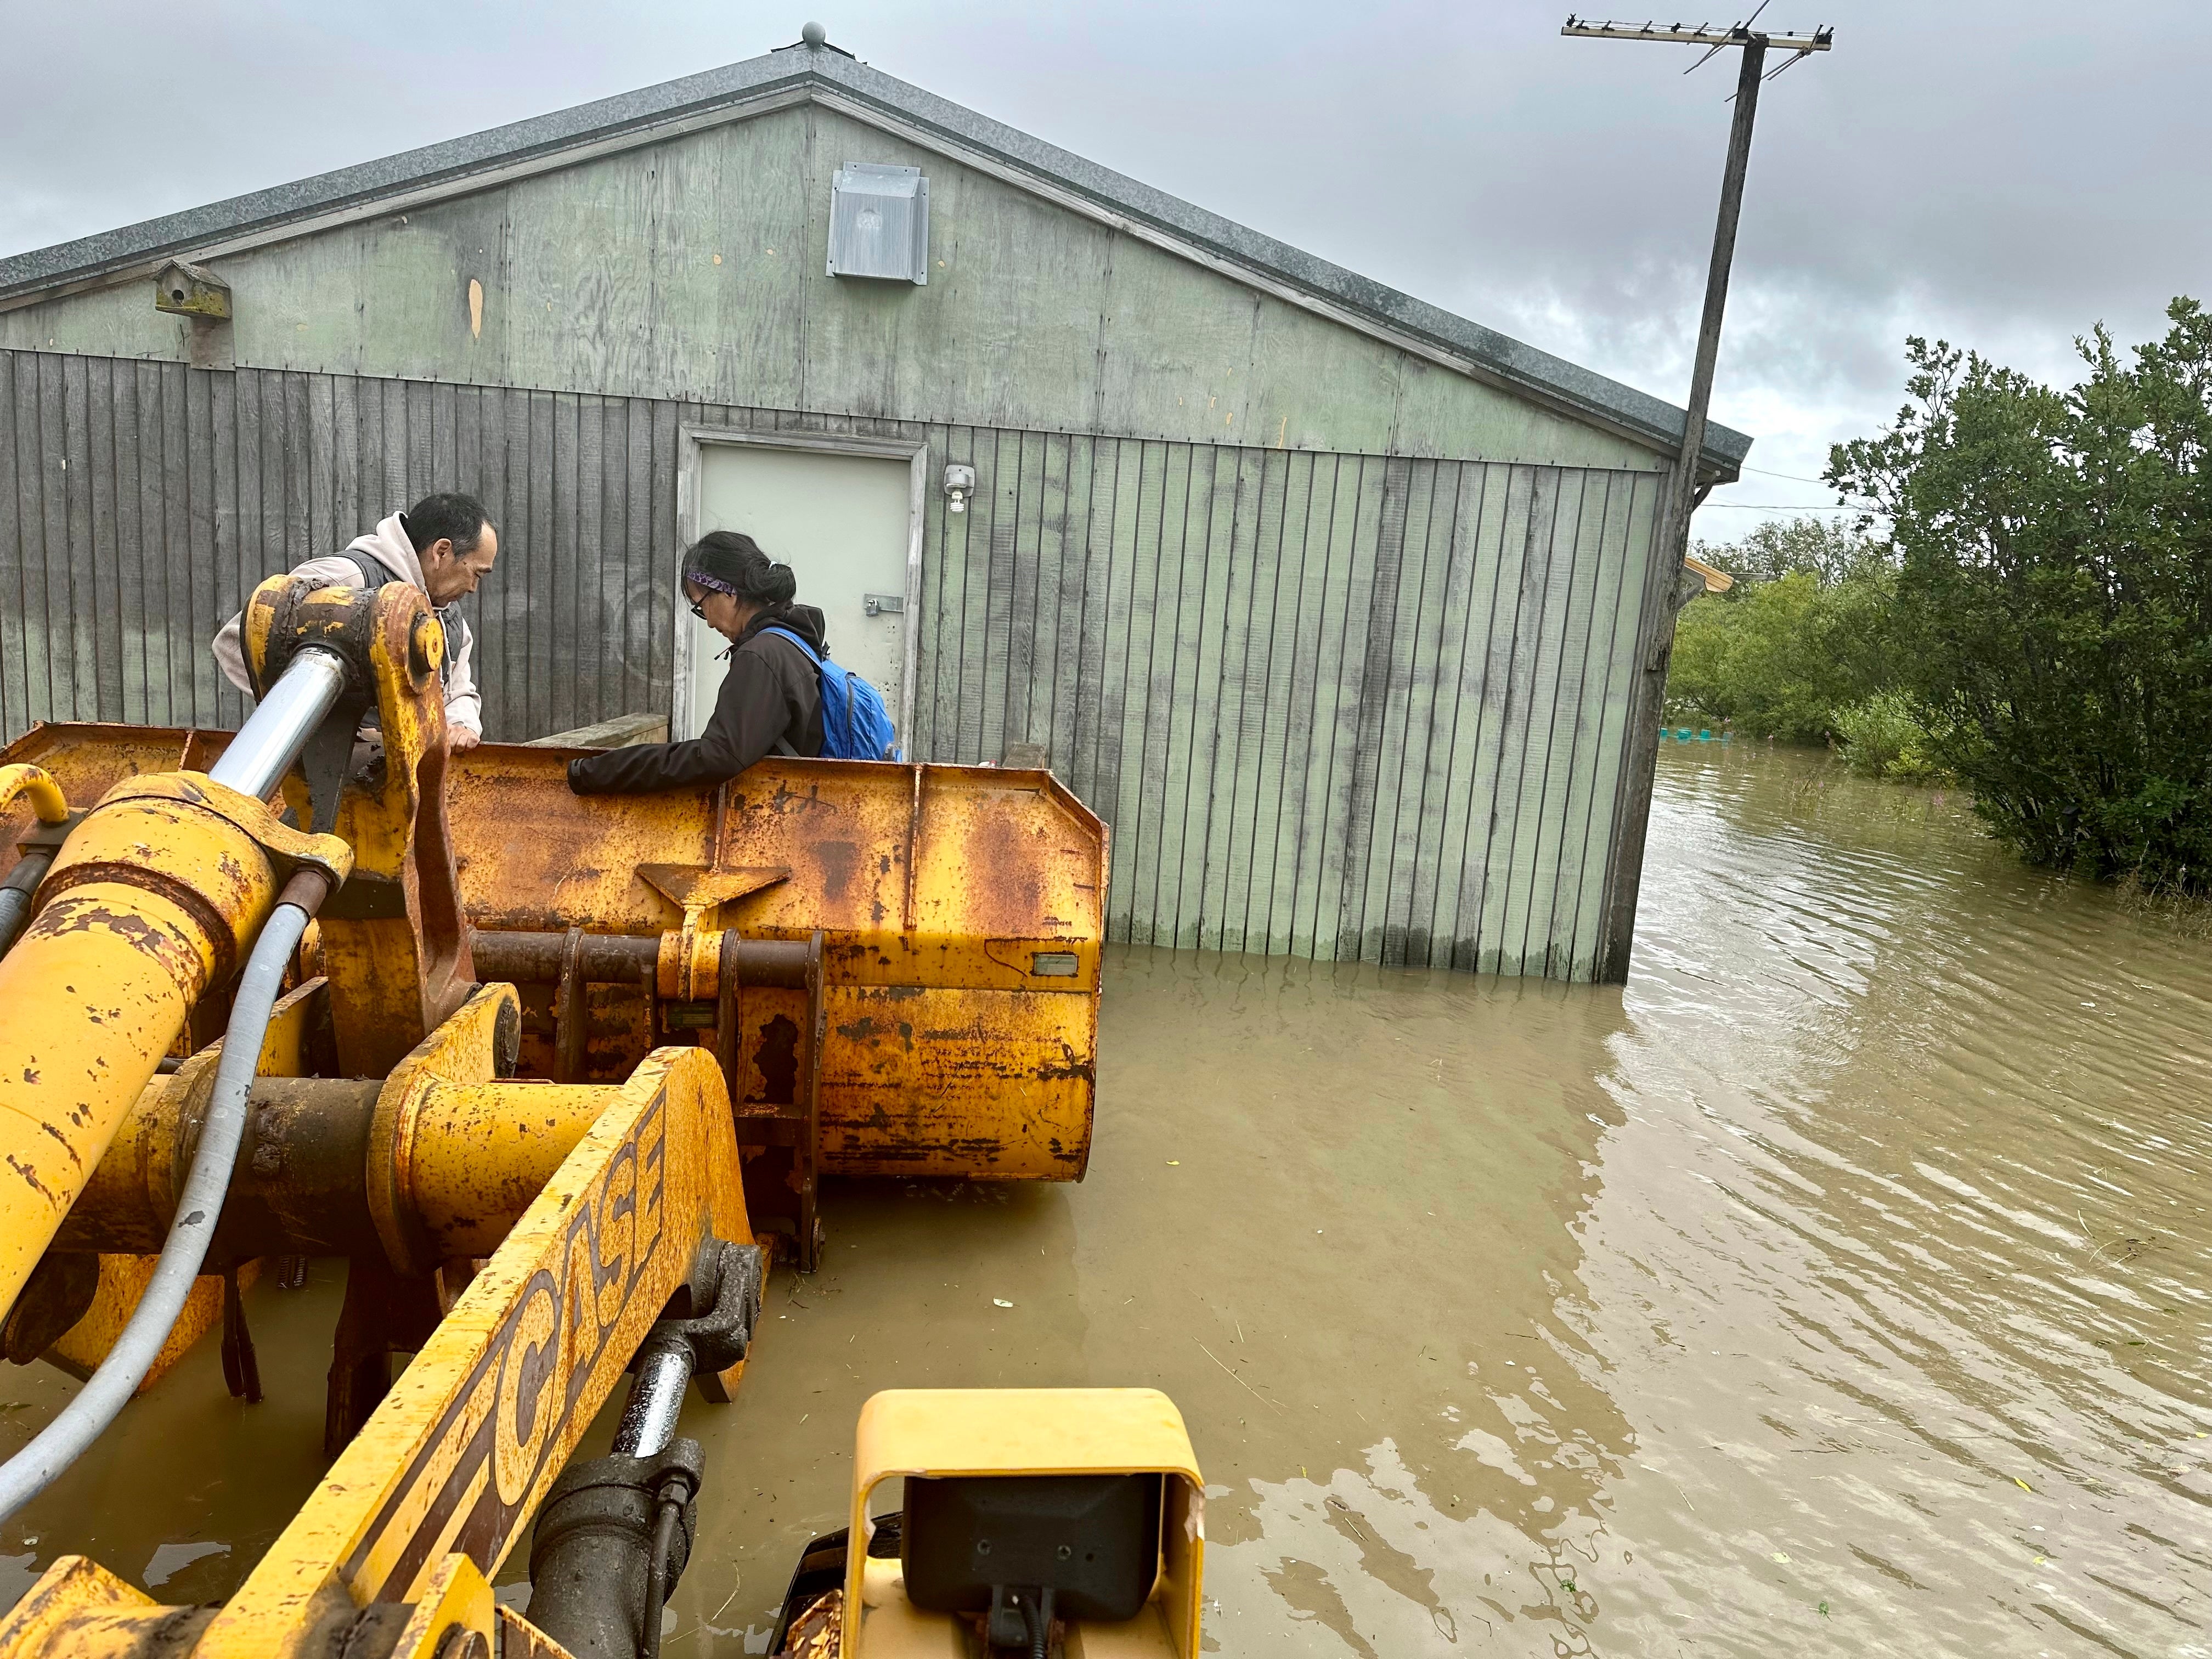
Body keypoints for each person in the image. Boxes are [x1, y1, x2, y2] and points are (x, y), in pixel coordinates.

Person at [213, 493, 499, 749]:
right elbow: (235, 641)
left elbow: (457, 692)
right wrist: (326, 717)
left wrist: (462, 725)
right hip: (322, 769)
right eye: (476, 573)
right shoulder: (346, 580)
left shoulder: (452, 622)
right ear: (441, 552)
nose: (474, 588)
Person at [567, 531, 826, 794]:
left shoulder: (761, 655)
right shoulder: (792, 642)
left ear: (728, 593)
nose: (710, 622)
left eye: (701, 606)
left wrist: (596, 772)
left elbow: (717, 757)